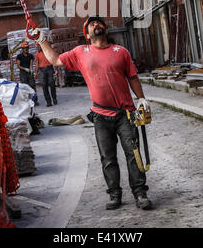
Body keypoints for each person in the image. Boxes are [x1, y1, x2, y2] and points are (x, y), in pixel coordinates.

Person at [30, 15, 152, 211]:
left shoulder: (120, 52)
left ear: (105, 28)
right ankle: (114, 194)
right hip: (100, 115)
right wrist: (41, 40)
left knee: (133, 154)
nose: (96, 24)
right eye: (91, 24)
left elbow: (133, 77)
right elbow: (54, 59)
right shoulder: (80, 52)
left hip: (125, 114)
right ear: (87, 35)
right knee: (108, 157)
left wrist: (142, 99)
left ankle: (140, 193)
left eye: (98, 22)